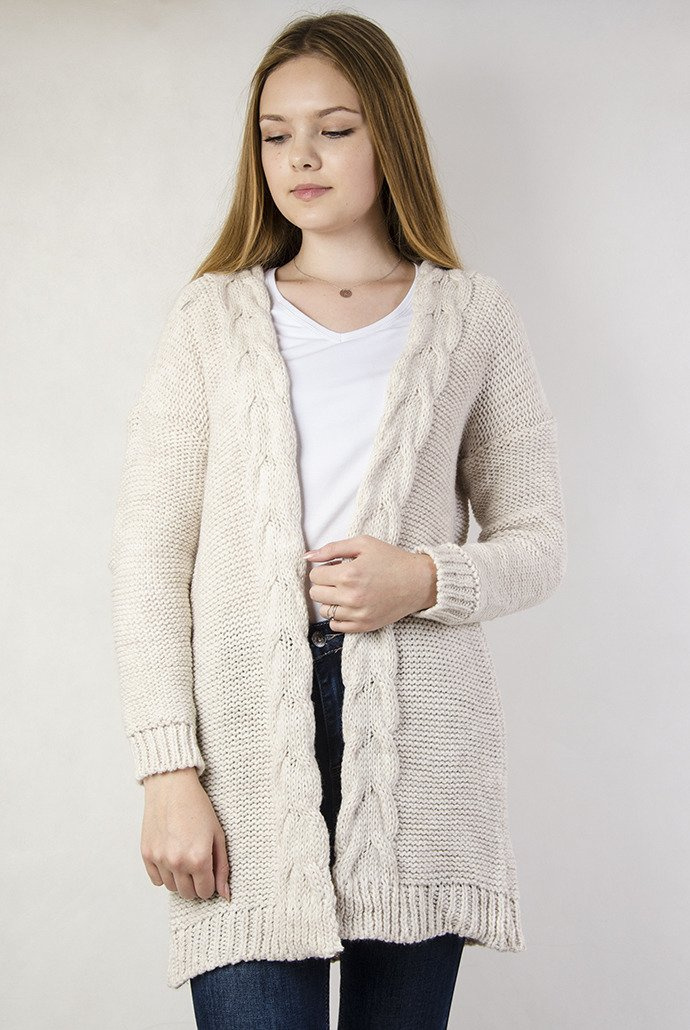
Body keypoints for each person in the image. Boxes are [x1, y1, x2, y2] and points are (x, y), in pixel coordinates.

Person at [108, 11, 567, 1030]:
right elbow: (148, 562)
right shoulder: (213, 319)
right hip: (243, 742)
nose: (300, 158)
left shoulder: (473, 317)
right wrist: (168, 769)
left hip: (420, 749)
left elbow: (539, 542)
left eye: (334, 129)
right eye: (276, 135)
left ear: (387, 133)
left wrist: (422, 578)